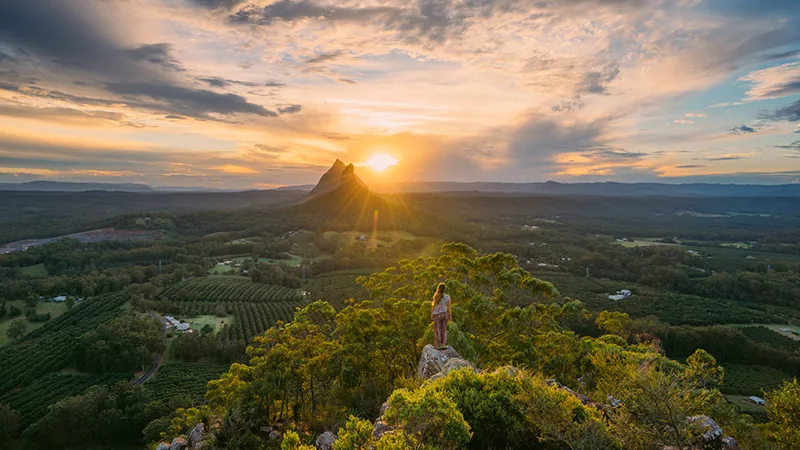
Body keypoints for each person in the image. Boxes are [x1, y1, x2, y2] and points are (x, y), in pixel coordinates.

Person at [431, 283, 452, 348]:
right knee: (444, 329)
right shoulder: (447, 297)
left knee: (437, 329)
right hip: (445, 314)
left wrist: (432, 314)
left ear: (438, 288)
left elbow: (433, 306)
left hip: (437, 314)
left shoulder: (436, 296)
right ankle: (443, 344)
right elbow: (449, 307)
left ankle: (438, 345)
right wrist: (450, 315)